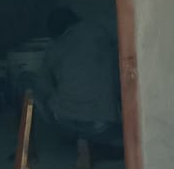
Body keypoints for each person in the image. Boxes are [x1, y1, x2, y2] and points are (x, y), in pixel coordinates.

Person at [32, 7, 121, 146]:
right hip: (104, 124)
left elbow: (42, 85)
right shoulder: (99, 31)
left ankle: (78, 139)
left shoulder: (55, 48)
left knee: (28, 83)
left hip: (67, 121)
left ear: (55, 33)